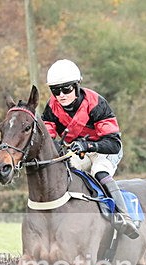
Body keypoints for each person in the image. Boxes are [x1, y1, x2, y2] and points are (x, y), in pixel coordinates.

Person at [41, 59, 139, 239]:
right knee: (64, 175)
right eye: (55, 90)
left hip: (105, 149)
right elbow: (48, 136)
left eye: (66, 89)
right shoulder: (51, 107)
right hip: (80, 151)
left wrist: (88, 145)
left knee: (99, 172)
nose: (61, 95)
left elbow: (114, 144)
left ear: (77, 86)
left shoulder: (96, 103)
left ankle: (124, 216)